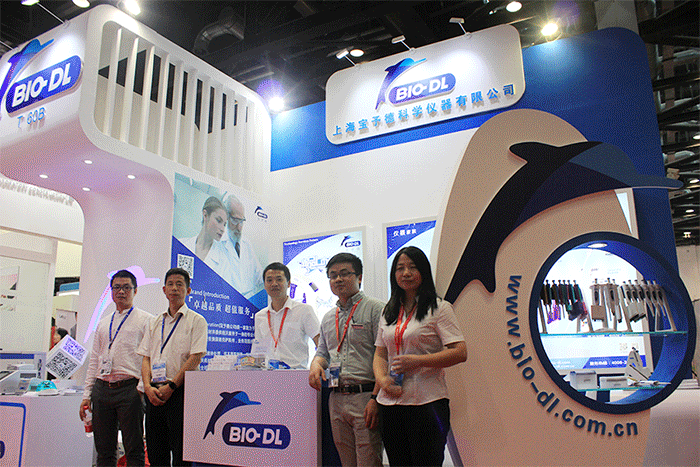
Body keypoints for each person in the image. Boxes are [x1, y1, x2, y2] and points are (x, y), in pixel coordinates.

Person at [373, 246, 467, 467]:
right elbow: (380, 353)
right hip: (390, 402)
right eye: (400, 268)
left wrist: (418, 361)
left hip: (427, 402)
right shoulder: (389, 310)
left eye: (412, 267)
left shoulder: (440, 308)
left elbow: (460, 351)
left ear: (423, 271)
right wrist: (383, 380)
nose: (406, 273)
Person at [308, 253, 384, 467]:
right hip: (336, 398)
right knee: (345, 462)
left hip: (365, 396)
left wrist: (376, 398)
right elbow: (323, 353)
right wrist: (315, 365)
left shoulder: (377, 309)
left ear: (359, 277)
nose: (338, 279)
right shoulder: (328, 317)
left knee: (369, 461)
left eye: (344, 274)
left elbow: (385, 356)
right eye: (333, 276)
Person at [79, 269, 152, 467]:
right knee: (104, 450)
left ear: (135, 291)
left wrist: (141, 389)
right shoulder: (103, 323)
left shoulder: (146, 320)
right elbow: (94, 361)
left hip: (130, 389)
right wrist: (87, 394)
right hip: (102, 389)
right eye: (117, 287)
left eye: (126, 287)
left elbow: (150, 358)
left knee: (134, 449)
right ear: (111, 291)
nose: (121, 291)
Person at [137, 268, 207, 467]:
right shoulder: (155, 321)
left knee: (181, 452)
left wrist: (172, 387)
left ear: (188, 290)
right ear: (164, 290)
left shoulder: (197, 321)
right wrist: (147, 387)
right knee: (155, 451)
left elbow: (195, 358)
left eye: (179, 284)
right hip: (154, 393)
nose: (174, 288)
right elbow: (146, 357)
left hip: (180, 392)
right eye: (170, 284)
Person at [253, 262, 320, 369]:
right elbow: (258, 350)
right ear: (264, 285)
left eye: (279, 279)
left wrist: (317, 365)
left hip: (295, 374)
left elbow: (320, 342)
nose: (274, 284)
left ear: (289, 283)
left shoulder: (304, 310)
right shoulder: (260, 316)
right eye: (269, 280)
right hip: (267, 375)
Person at [217, 194, 263, 299]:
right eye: (235, 220)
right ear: (226, 218)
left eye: (241, 221)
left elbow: (259, 275)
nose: (239, 227)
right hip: (226, 301)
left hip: (249, 301)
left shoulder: (246, 244)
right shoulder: (217, 242)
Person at [179, 196, 227, 271]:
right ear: (205, 215)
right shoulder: (181, 244)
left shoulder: (223, 261)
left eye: (224, 224)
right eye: (218, 220)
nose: (222, 229)